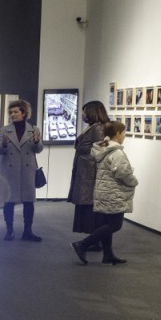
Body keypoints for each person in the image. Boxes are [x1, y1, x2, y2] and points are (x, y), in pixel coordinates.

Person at [71, 121, 137, 266]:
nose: (124, 136)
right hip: (114, 193)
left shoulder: (102, 149)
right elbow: (123, 173)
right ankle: (82, 245)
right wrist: (134, 181)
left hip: (103, 192)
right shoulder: (117, 153)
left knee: (107, 223)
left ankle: (108, 254)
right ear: (117, 134)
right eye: (124, 133)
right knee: (115, 225)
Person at [0, 98, 44, 241]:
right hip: (10, 170)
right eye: (11, 112)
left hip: (27, 170)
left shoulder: (34, 129)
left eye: (16, 112)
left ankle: (28, 231)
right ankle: (9, 230)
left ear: (24, 113)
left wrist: (37, 142)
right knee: (9, 201)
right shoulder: (5, 130)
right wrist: (4, 144)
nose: (12, 114)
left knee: (29, 202)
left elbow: (39, 149)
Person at [69, 100, 110, 247]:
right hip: (86, 172)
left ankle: (95, 241)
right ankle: (95, 240)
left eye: (85, 112)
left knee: (92, 209)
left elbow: (100, 150)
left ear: (92, 112)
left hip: (90, 173)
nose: (83, 115)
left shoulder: (98, 128)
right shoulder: (94, 127)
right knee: (90, 208)